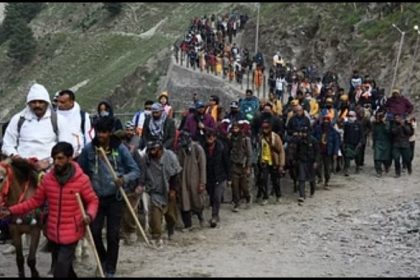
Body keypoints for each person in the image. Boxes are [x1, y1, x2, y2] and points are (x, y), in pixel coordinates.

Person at [0, 142, 99, 278]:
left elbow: (93, 200)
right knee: (66, 269)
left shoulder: (82, 180)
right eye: (54, 159)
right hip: (53, 234)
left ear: (70, 159)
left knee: (60, 271)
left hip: (72, 231)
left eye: (60, 158)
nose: (56, 162)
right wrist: (11, 211)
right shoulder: (48, 180)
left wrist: (89, 214)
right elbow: (35, 201)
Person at [78, 116, 140, 278]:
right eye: (98, 132)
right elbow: (81, 172)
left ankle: (110, 269)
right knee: (95, 232)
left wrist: (123, 179)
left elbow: (135, 171)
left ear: (110, 132)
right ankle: (104, 260)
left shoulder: (120, 149)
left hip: (115, 198)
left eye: (104, 132)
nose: (101, 135)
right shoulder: (88, 150)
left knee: (113, 235)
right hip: (95, 198)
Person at [138, 139, 182, 245]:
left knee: (171, 215)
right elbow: (142, 175)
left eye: (154, 149)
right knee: (155, 216)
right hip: (154, 191)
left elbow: (176, 175)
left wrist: (173, 190)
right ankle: (156, 235)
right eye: (150, 150)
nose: (152, 152)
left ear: (160, 149)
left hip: (168, 189)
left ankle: (171, 230)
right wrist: (140, 185)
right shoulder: (146, 159)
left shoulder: (170, 156)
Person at [176, 130, 207, 230]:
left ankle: (201, 218)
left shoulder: (197, 149)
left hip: (195, 178)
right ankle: (188, 224)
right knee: (185, 202)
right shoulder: (181, 149)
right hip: (184, 179)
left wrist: (202, 182)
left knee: (197, 200)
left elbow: (202, 167)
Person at [56, 89, 93, 158]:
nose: (59, 104)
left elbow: (89, 137)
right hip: (59, 157)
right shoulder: (53, 116)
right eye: (58, 102)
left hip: (80, 157)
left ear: (71, 102)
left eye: (62, 102)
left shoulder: (83, 116)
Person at [204, 128, 230, 228]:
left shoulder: (221, 148)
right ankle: (215, 214)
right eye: (208, 137)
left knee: (217, 197)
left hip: (220, 176)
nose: (209, 139)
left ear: (215, 138)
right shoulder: (203, 148)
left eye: (211, 137)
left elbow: (226, 162)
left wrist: (229, 178)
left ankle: (214, 216)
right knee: (211, 195)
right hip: (209, 176)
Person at [256, 120, 285, 205]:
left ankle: (278, 195)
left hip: (274, 161)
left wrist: (281, 164)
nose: (265, 129)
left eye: (266, 128)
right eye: (263, 128)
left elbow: (281, 151)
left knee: (275, 180)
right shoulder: (260, 137)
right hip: (264, 161)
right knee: (264, 180)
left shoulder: (275, 137)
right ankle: (265, 197)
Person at [228, 121, 252, 211]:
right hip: (234, 164)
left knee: (244, 186)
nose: (235, 130)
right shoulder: (230, 138)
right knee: (235, 186)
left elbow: (249, 153)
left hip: (243, 164)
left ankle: (248, 198)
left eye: (236, 128)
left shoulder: (245, 139)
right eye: (234, 128)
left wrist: (248, 166)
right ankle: (236, 203)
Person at [294, 127, 320, 203]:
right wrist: (296, 160)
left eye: (305, 133)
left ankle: (312, 190)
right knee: (301, 178)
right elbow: (297, 151)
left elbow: (317, 152)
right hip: (302, 161)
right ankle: (302, 195)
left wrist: (316, 161)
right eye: (302, 133)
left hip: (311, 162)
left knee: (311, 178)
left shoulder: (313, 140)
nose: (303, 134)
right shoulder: (300, 141)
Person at [313, 115, 340, 188]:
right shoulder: (318, 129)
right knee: (317, 166)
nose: (325, 121)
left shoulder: (333, 131)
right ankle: (319, 178)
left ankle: (327, 181)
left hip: (328, 151)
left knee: (327, 168)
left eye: (327, 120)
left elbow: (336, 142)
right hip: (319, 151)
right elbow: (313, 138)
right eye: (324, 120)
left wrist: (335, 152)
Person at [343, 111, 364, 176]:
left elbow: (361, 134)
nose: (350, 117)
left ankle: (357, 166)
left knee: (357, 156)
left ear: (355, 116)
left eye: (351, 116)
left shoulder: (359, 124)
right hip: (348, 143)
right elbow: (344, 134)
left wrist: (360, 142)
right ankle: (346, 169)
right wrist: (344, 142)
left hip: (356, 143)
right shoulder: (346, 124)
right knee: (347, 157)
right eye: (349, 116)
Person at [371, 111, 392, 177]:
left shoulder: (387, 123)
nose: (379, 118)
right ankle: (379, 171)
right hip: (378, 142)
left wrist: (384, 123)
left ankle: (387, 166)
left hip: (386, 142)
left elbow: (388, 131)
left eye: (380, 117)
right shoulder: (375, 124)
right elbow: (373, 134)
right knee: (377, 158)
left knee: (386, 158)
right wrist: (373, 143)